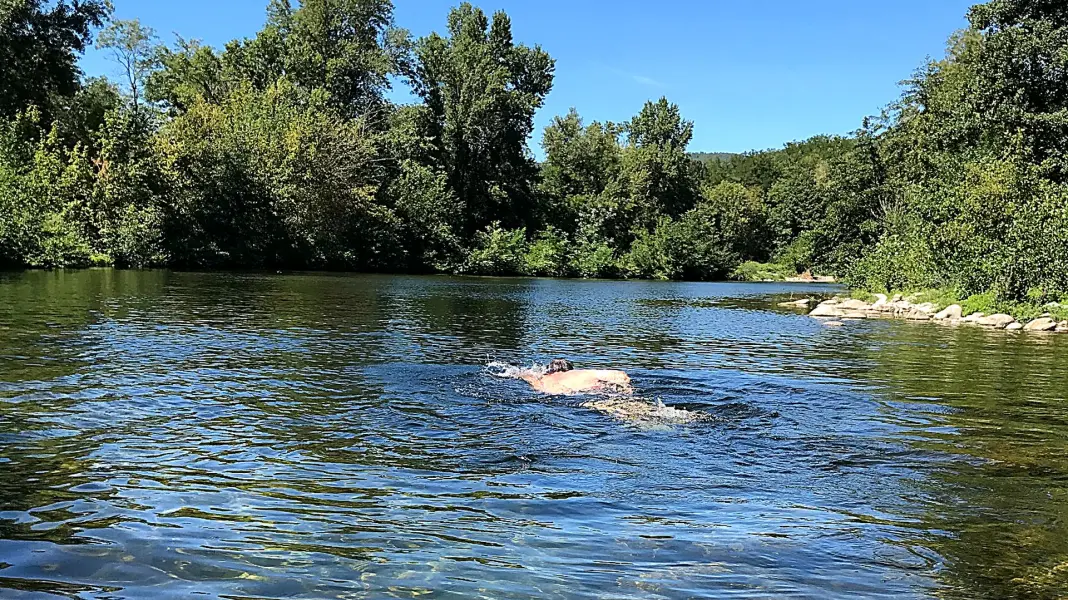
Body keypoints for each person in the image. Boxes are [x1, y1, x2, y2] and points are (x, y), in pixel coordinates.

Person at [520, 359, 633, 396]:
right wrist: (625, 386)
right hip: (595, 394)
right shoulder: (582, 373)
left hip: (568, 400)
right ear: (570, 369)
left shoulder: (542, 379)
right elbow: (622, 376)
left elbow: (520, 374)